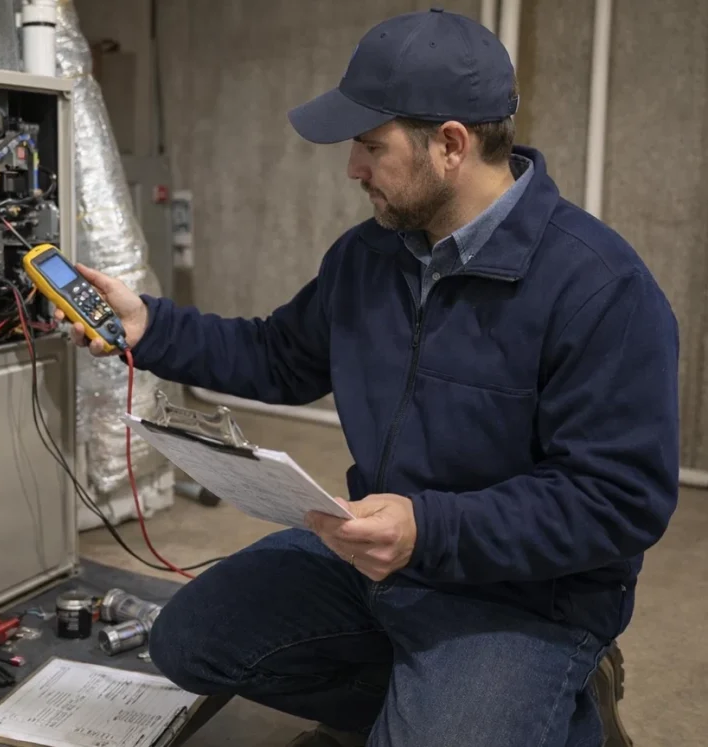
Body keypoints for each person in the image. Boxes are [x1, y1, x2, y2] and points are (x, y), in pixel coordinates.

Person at [57, 8, 679, 747]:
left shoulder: (599, 286)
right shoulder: (369, 257)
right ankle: (424, 701)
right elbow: (277, 355)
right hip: (378, 558)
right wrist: (150, 328)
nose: (353, 169)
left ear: (450, 144)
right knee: (191, 640)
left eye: (369, 145)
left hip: (524, 597)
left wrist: (429, 528)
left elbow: (619, 500)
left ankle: (570, 702)